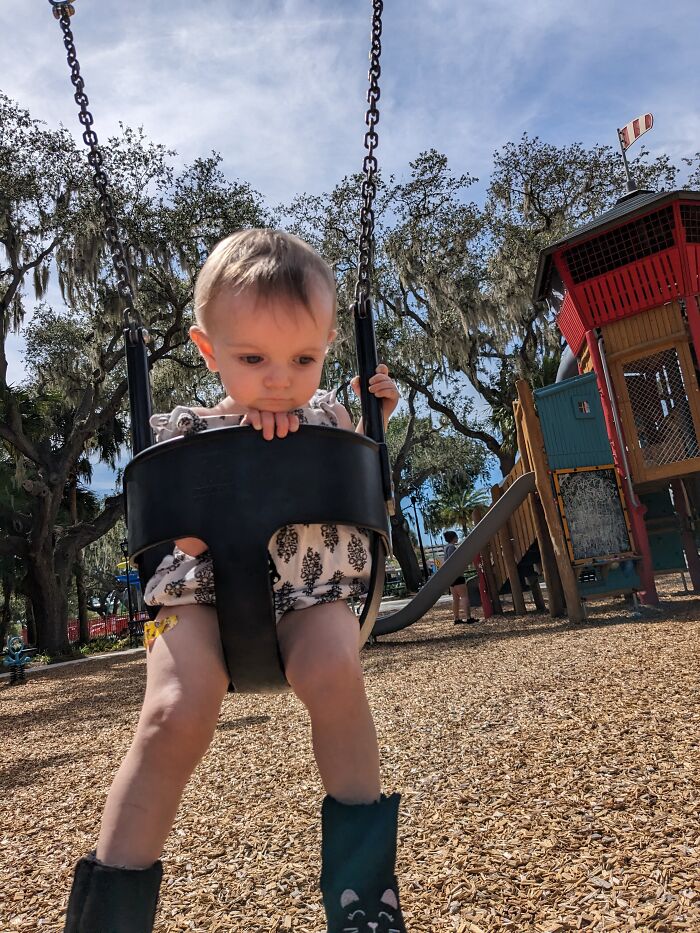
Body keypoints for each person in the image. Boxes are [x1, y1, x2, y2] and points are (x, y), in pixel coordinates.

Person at [63, 229, 408, 933]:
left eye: (303, 357)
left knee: (334, 668)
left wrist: (378, 415)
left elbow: (363, 489)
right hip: (196, 595)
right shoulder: (185, 428)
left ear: (328, 345)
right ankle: (108, 914)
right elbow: (175, 535)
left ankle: (364, 896)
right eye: (253, 358)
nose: (279, 377)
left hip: (314, 590)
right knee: (173, 709)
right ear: (208, 349)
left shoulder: (329, 418)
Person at [443, 530, 474, 624]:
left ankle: (456, 618)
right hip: (457, 575)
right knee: (464, 596)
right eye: (456, 537)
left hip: (450, 576)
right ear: (453, 538)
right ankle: (468, 617)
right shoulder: (452, 547)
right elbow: (454, 560)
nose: (457, 538)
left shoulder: (446, 548)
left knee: (455, 598)